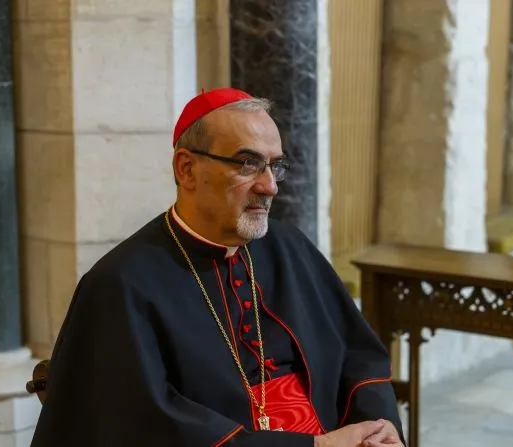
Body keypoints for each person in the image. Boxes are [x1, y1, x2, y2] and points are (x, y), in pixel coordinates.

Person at [30, 87, 405, 447]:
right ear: (187, 169)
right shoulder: (121, 284)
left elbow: (359, 355)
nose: (270, 186)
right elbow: (147, 424)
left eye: (276, 166)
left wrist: (380, 429)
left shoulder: (289, 247)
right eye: (248, 164)